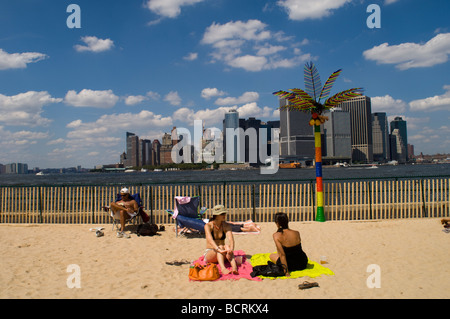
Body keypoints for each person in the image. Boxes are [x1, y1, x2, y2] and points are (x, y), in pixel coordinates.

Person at [269, 212, 308, 277]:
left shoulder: (276, 235)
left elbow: (282, 255)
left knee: (271, 255)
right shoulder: (296, 232)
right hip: (302, 263)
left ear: (277, 223)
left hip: (290, 265)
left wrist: (286, 272)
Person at [204, 205, 239, 275]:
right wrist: (219, 249)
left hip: (222, 253)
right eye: (222, 214)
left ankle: (234, 267)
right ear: (216, 215)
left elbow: (231, 240)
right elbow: (210, 240)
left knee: (227, 246)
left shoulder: (226, 226)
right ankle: (223, 268)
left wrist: (230, 250)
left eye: (224, 213)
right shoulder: (208, 226)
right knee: (221, 246)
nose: (224, 215)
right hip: (211, 253)